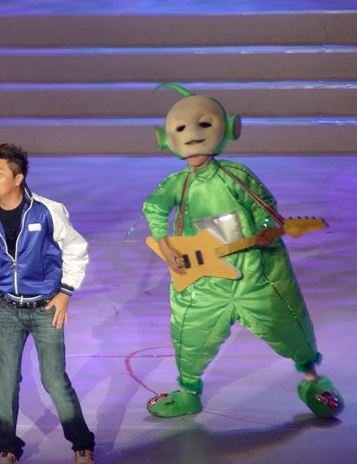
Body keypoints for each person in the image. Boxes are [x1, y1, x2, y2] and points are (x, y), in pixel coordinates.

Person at [141, 83, 343, 419]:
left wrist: (267, 227)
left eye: (204, 125)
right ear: (165, 138)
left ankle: (312, 380)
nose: (192, 137)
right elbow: (155, 206)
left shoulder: (236, 176)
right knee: (190, 334)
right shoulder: (178, 184)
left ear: (229, 129)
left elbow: (264, 207)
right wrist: (163, 241)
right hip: (204, 282)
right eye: (181, 129)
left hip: (254, 276)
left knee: (288, 323)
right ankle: (188, 391)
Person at [0, 143, 95, 464]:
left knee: (54, 381)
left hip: (46, 307)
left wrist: (65, 293)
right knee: (5, 383)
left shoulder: (47, 210)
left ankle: (82, 444)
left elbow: (76, 249)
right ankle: (7, 448)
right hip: (6, 309)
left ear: (18, 178)